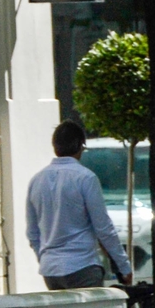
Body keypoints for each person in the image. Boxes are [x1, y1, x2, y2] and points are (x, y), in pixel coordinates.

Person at [27, 119, 132, 289]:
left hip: (50, 270)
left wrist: (45, 258)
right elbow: (104, 228)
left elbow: (32, 232)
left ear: (55, 146)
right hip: (82, 265)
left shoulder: (37, 180)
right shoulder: (86, 178)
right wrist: (123, 266)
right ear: (80, 146)